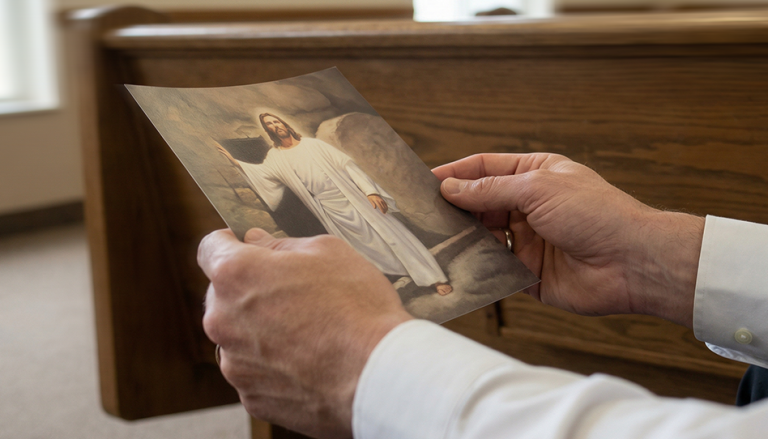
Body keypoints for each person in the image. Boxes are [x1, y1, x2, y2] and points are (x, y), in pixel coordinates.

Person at [199, 153, 768, 439]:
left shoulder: (318, 143)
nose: (277, 134)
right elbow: (267, 178)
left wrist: (368, 369)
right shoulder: (276, 158)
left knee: (398, 242)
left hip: (357, 201)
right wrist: (658, 259)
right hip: (335, 210)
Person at [218, 112, 452, 296]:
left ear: (284, 123)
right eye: (269, 124)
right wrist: (235, 161)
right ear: (268, 131)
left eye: (276, 120)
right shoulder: (276, 157)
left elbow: (348, 166)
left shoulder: (312, 145)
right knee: (363, 247)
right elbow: (263, 174)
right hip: (329, 207)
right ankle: (402, 275)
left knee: (392, 235)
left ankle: (433, 278)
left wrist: (370, 191)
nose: (274, 125)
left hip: (353, 198)